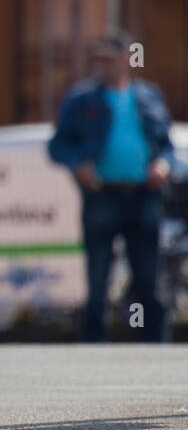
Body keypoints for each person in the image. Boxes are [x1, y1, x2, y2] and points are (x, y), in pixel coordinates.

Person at [47, 33, 174, 342]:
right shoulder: (82, 99)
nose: (103, 66)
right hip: (102, 196)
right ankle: (95, 344)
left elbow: (166, 146)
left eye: (110, 59)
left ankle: (155, 344)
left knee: (148, 275)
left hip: (143, 195)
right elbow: (58, 144)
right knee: (99, 274)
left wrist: (163, 164)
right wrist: (79, 165)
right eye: (98, 60)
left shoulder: (148, 96)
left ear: (128, 59)